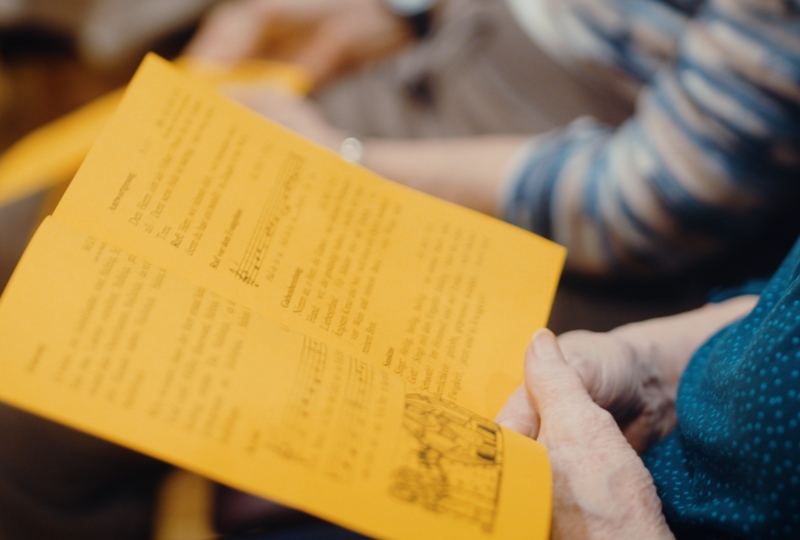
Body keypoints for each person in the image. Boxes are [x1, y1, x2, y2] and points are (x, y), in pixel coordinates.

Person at [188, 0, 800, 279]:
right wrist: (400, 10)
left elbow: (656, 200)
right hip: (459, 42)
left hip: (565, 178)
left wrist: (345, 162)